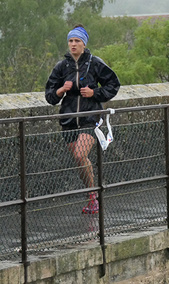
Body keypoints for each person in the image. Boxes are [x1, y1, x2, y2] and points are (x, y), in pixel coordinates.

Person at [45, 25, 120, 214]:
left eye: (77, 41)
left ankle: (93, 196)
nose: (73, 44)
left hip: (90, 118)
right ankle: (91, 196)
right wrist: (61, 90)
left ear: (84, 43)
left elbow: (113, 85)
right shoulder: (62, 67)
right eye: (70, 41)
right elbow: (50, 95)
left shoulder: (94, 63)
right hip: (69, 120)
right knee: (80, 161)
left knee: (80, 155)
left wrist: (95, 92)